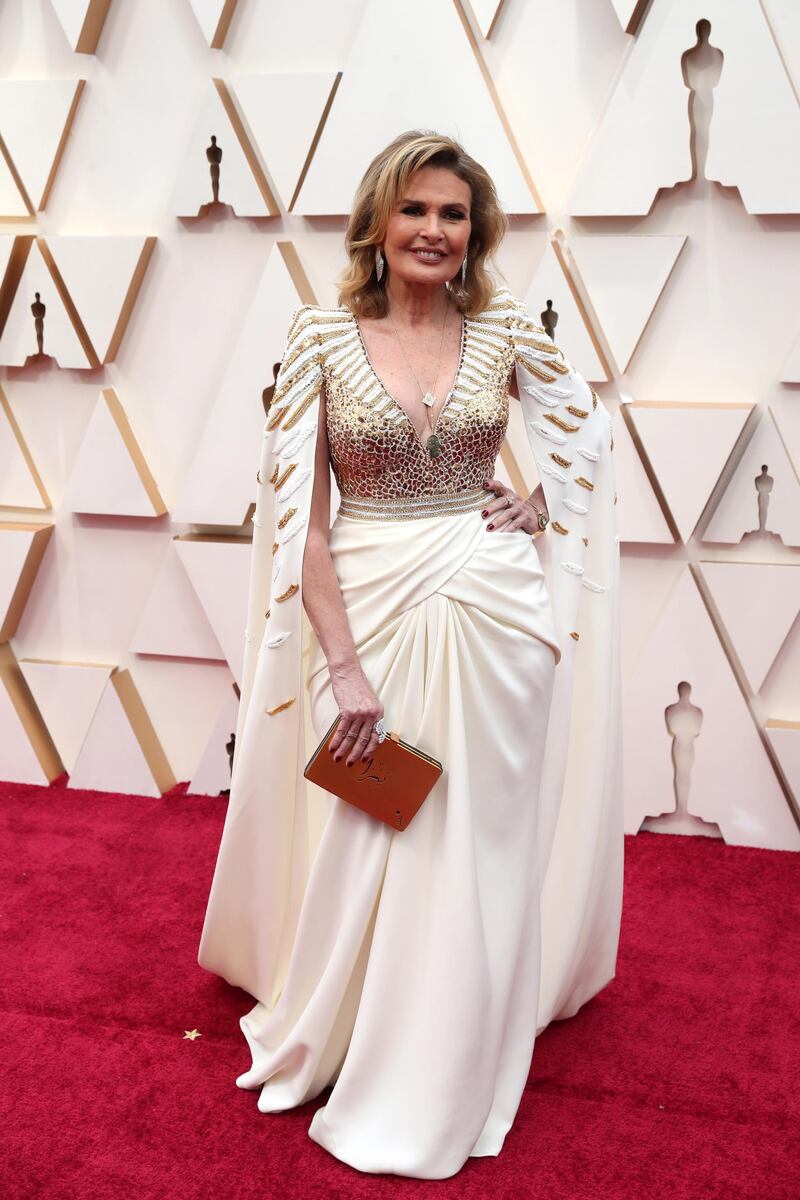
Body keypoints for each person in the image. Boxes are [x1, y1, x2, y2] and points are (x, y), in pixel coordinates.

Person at [198, 130, 623, 1180]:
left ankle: (457, 1051)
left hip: (494, 616)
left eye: (454, 215)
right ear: (378, 225)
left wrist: (538, 508)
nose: (435, 231)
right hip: (369, 616)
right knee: (382, 830)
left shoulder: (504, 329)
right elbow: (302, 521)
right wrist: (342, 669)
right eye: (416, 211)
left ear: (472, 234)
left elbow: (586, 437)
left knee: (478, 839)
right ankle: (355, 1035)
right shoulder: (319, 336)